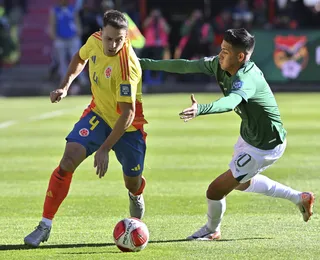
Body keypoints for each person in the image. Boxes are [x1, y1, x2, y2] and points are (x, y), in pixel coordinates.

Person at [139, 28, 315, 240]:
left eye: (226, 51)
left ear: (240, 57)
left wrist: (201, 109)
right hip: (249, 135)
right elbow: (186, 66)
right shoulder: (219, 64)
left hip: (266, 145)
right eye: (221, 49)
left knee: (214, 190)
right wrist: (143, 63)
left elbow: (231, 101)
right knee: (242, 182)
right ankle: (299, 198)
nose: (220, 54)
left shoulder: (247, 78)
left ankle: (212, 230)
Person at [24, 10, 148, 247]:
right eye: (109, 38)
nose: (113, 45)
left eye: (119, 40)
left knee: (132, 182)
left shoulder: (127, 66)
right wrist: (65, 86)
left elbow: (128, 114)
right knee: (68, 161)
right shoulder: (94, 41)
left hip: (128, 128)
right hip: (99, 114)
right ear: (102, 33)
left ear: (125, 38)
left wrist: (104, 148)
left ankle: (136, 193)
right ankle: (44, 225)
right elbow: (79, 58)